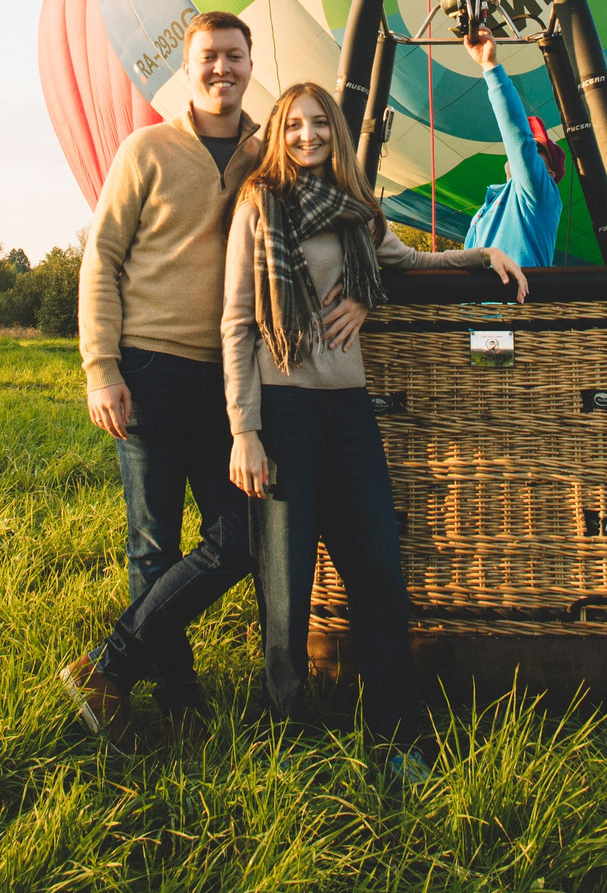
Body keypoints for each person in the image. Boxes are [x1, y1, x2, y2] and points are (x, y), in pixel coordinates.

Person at [222, 80, 527, 776]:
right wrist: (245, 429)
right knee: (286, 580)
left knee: (379, 572)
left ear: (336, 130)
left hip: (349, 410)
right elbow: (237, 323)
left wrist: (481, 258)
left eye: (318, 124)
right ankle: (286, 729)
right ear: (278, 132)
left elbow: (409, 264)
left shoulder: (359, 213)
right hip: (283, 411)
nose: (306, 136)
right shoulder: (257, 206)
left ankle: (397, 731)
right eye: (294, 125)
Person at [61, 11, 267, 748]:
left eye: (234, 56)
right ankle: (180, 702)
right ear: (189, 68)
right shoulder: (144, 149)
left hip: (225, 377)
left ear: (251, 62)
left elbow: (343, 214)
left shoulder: (265, 153)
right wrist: (102, 368)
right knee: (154, 542)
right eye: (208, 56)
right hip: (148, 367)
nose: (222, 68)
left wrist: (457, 261)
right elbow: (102, 259)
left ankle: (107, 664)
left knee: (238, 538)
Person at [457, 30, 565, 264]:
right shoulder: (482, 212)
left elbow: (520, 144)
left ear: (550, 174)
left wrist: (490, 65)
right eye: (531, 148)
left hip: (521, 300)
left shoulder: (542, 197)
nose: (529, 153)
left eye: (538, 151)